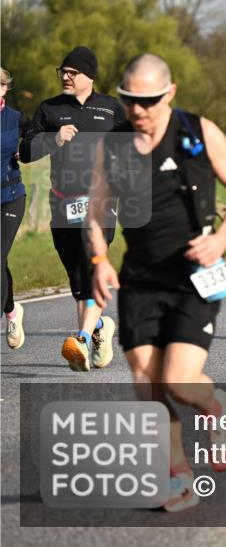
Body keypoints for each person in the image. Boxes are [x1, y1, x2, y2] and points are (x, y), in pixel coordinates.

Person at [88, 53, 226, 511]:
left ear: (170, 93)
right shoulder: (114, 142)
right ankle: (177, 477)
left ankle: (214, 406)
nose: (137, 110)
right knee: (148, 384)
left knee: (180, 382)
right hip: (140, 277)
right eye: (129, 100)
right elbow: (97, 207)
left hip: (192, 276)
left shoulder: (198, 133)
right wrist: (100, 258)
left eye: (147, 100)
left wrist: (221, 239)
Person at [20, 46, 128, 371]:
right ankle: (99, 328)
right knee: (77, 275)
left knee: (93, 267)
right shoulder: (50, 109)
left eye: (72, 72)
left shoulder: (111, 110)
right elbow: (25, 151)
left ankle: (80, 338)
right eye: (63, 72)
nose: (66, 77)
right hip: (62, 202)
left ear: (89, 76)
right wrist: (53, 138)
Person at [1, 68, 26, 349]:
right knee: (1, 260)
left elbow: (35, 137)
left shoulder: (17, 119)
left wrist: (27, 147)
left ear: (4, 89)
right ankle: (12, 312)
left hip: (10, 195)